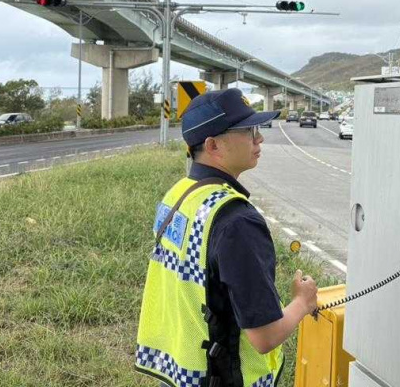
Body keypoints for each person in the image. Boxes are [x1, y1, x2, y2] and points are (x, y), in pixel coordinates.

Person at [135, 88, 318, 387]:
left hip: (182, 373)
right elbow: (264, 336)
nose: (259, 139)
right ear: (213, 145)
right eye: (248, 130)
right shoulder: (237, 222)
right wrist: (302, 301)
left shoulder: (179, 195)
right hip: (224, 377)